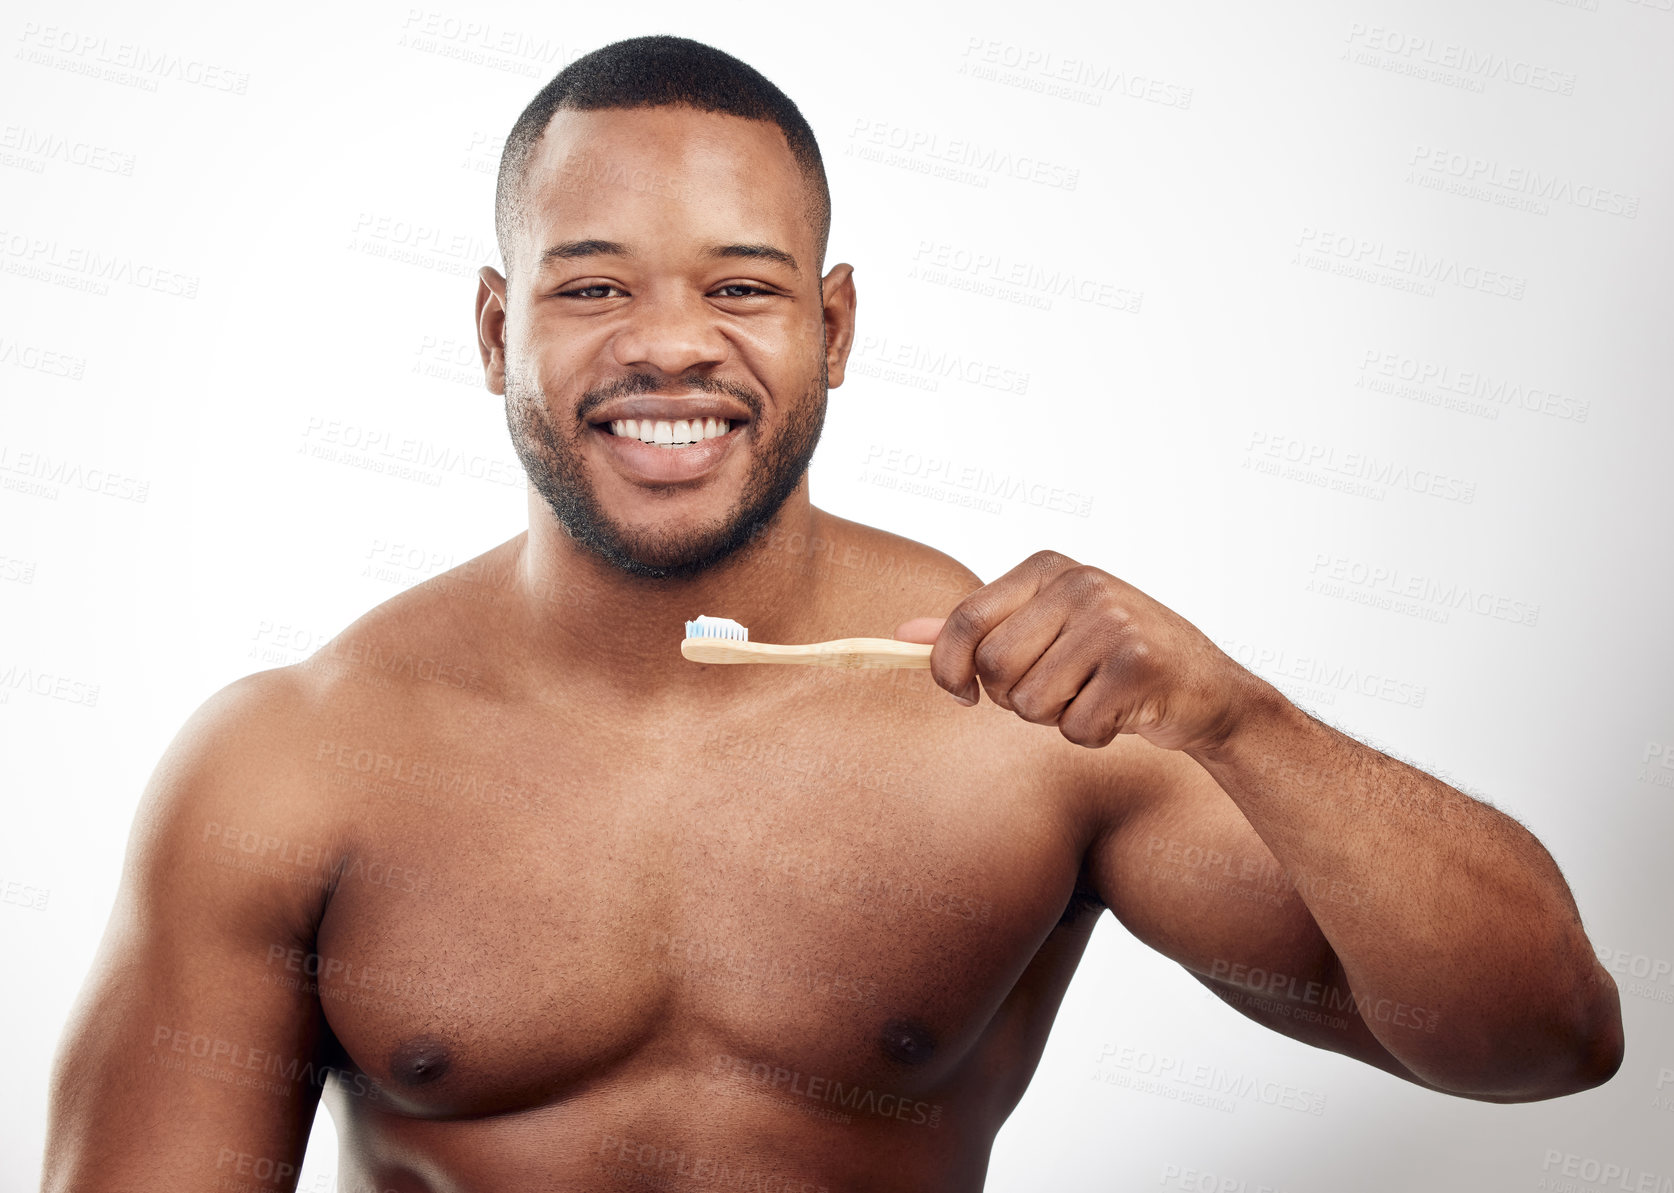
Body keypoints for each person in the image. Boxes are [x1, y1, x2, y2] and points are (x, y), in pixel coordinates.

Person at [41, 35, 1622, 1193]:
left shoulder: (1032, 718)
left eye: (740, 286)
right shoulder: (293, 763)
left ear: (834, 324)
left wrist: (1238, 718)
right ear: (493, 323)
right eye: (593, 287)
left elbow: (1541, 1041)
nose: (672, 346)